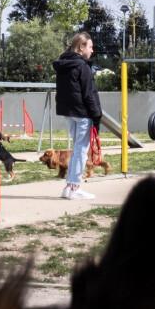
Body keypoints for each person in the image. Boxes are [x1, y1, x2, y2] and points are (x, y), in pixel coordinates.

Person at [53, 32, 102, 200]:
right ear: (81, 47)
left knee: (77, 149)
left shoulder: (63, 64)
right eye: (90, 46)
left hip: (69, 112)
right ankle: (74, 187)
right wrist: (96, 115)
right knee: (81, 150)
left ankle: (69, 187)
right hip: (82, 113)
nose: (92, 50)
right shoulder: (82, 66)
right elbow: (89, 94)